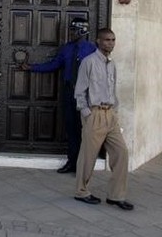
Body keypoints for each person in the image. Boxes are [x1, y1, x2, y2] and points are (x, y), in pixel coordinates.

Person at [20, 17, 96, 173]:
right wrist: (32, 68)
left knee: (86, 130)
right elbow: (54, 65)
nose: (71, 33)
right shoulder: (66, 49)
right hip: (69, 92)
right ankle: (72, 162)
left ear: (82, 31)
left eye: (73, 30)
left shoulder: (93, 49)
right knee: (71, 128)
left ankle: (85, 165)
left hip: (87, 94)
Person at [72, 28, 133, 211]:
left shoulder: (111, 63)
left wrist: (114, 110)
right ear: (98, 41)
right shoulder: (88, 62)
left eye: (113, 40)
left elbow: (112, 89)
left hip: (110, 115)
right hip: (95, 114)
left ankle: (116, 196)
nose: (111, 43)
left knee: (121, 153)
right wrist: (86, 113)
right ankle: (81, 191)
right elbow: (80, 90)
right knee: (88, 156)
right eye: (107, 40)